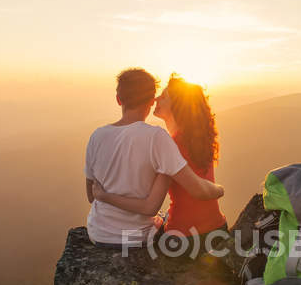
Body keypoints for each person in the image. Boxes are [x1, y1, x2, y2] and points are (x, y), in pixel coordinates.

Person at [84, 68, 224, 248]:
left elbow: (91, 195)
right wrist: (220, 189)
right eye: (156, 97)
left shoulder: (97, 136)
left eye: (163, 97)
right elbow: (151, 207)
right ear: (150, 102)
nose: (158, 99)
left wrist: (104, 196)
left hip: (98, 233)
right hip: (139, 237)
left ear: (119, 100)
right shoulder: (162, 138)